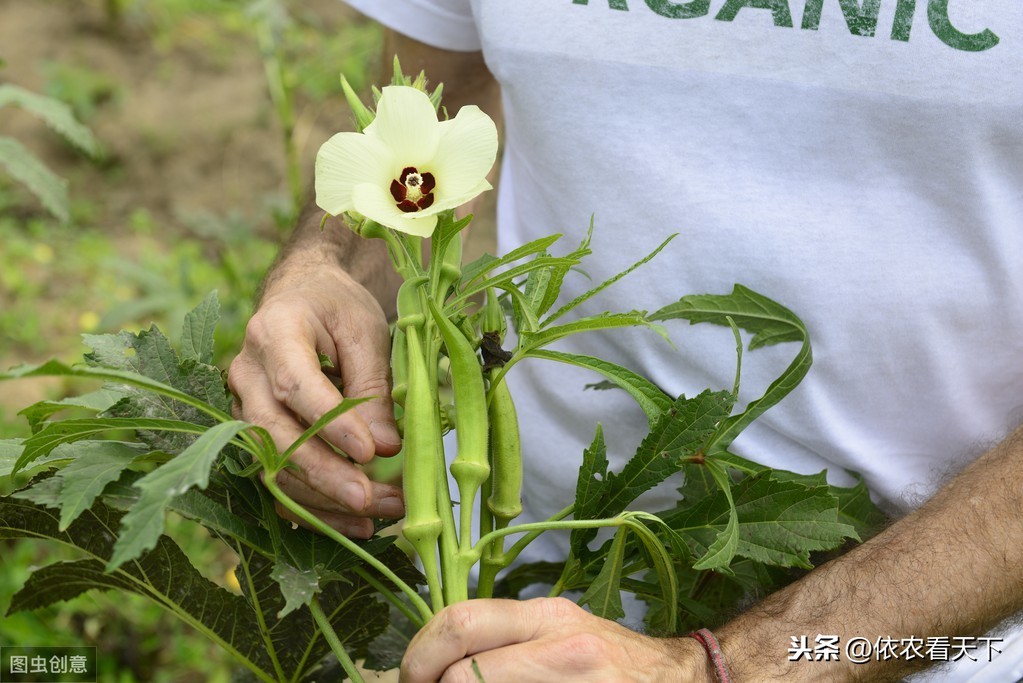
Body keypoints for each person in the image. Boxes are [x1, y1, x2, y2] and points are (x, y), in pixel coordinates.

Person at [228, 1, 1023, 681]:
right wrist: (327, 262)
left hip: (933, 641)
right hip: (507, 600)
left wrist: (732, 664)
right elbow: (425, 101)